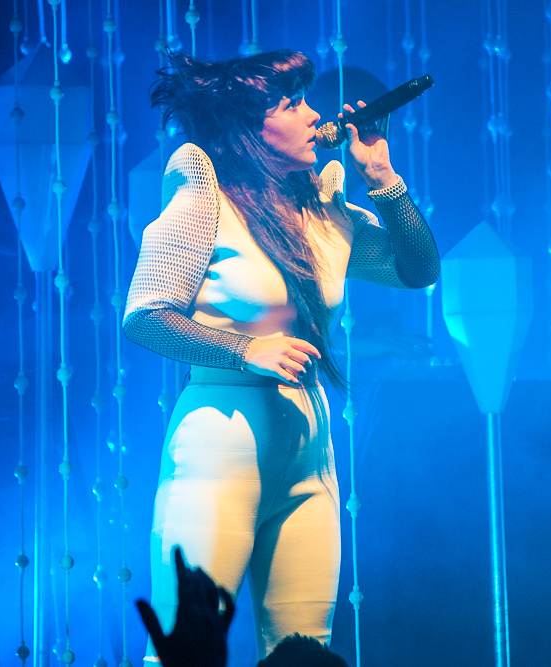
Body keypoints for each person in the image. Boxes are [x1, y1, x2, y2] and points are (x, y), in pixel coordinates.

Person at [124, 49, 439, 661]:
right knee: (186, 651)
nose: (315, 114)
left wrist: (384, 179)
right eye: (293, 103)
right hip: (219, 442)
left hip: (308, 449)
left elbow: (417, 269)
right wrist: (247, 350)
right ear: (251, 125)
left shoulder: (322, 209)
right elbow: (146, 316)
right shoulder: (205, 185)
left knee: (304, 651)